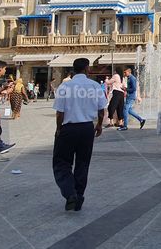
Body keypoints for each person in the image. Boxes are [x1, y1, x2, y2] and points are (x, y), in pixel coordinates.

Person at [53, 58, 107, 211]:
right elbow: (101, 110)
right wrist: (99, 125)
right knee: (83, 163)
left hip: (68, 128)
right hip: (86, 129)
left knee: (62, 162)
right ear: (87, 69)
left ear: (73, 69)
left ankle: (70, 193)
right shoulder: (95, 86)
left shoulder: (65, 86)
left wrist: (58, 129)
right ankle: (78, 195)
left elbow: (59, 113)